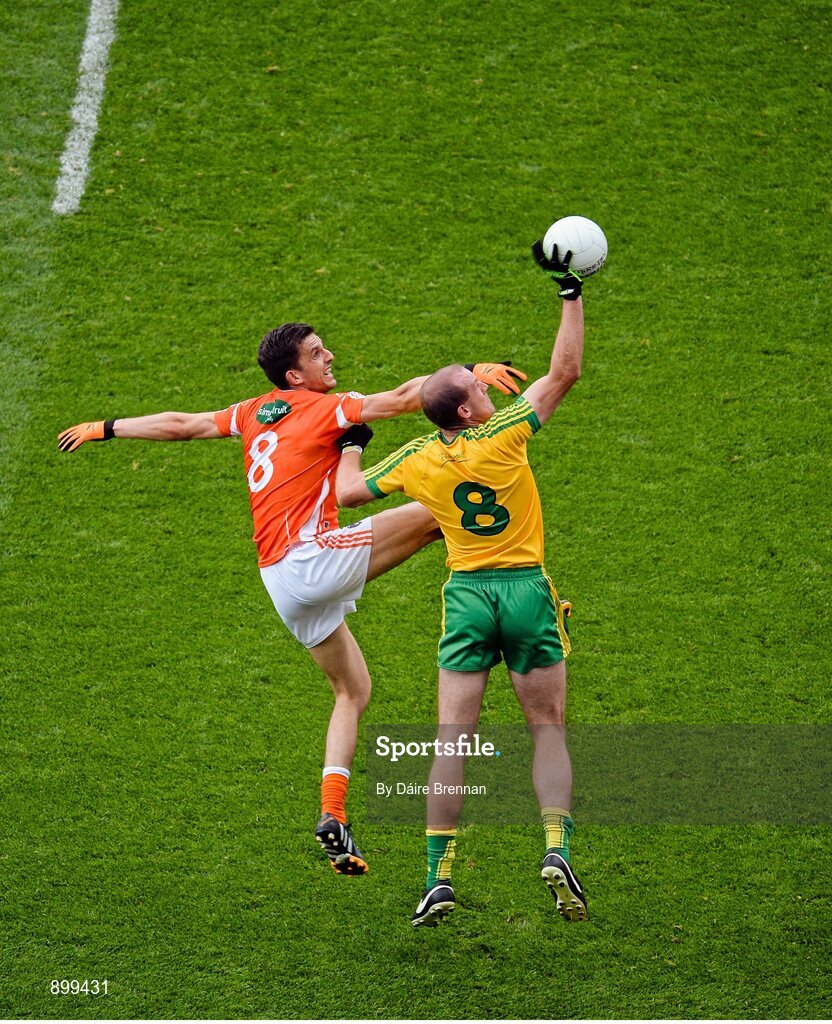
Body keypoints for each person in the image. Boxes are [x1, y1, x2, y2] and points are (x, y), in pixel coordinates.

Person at [58, 322, 525, 876]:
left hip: (279, 582)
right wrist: (468, 375)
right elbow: (404, 398)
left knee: (353, 690)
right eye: (315, 353)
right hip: (312, 558)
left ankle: (333, 815)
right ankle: (514, 615)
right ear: (294, 375)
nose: (330, 354)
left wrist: (106, 427)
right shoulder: (325, 409)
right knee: (443, 512)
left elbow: (182, 424)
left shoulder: (253, 410)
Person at [335, 244, 590, 922]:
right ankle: (557, 848)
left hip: (469, 597)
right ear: (475, 412)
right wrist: (570, 293)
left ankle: (437, 878)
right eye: (480, 387)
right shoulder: (506, 435)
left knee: (453, 741)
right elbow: (565, 371)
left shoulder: (419, 456)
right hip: (528, 593)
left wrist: (351, 438)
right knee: (548, 729)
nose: (490, 388)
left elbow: (351, 493)